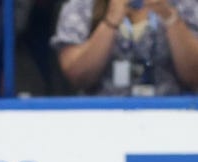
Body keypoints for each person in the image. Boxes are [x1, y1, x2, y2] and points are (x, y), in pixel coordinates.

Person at [52, 0, 198, 95]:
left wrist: (170, 17)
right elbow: (77, 75)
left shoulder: (186, 6)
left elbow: (194, 76)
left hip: (172, 117)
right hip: (100, 118)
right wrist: (111, 21)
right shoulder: (81, 7)